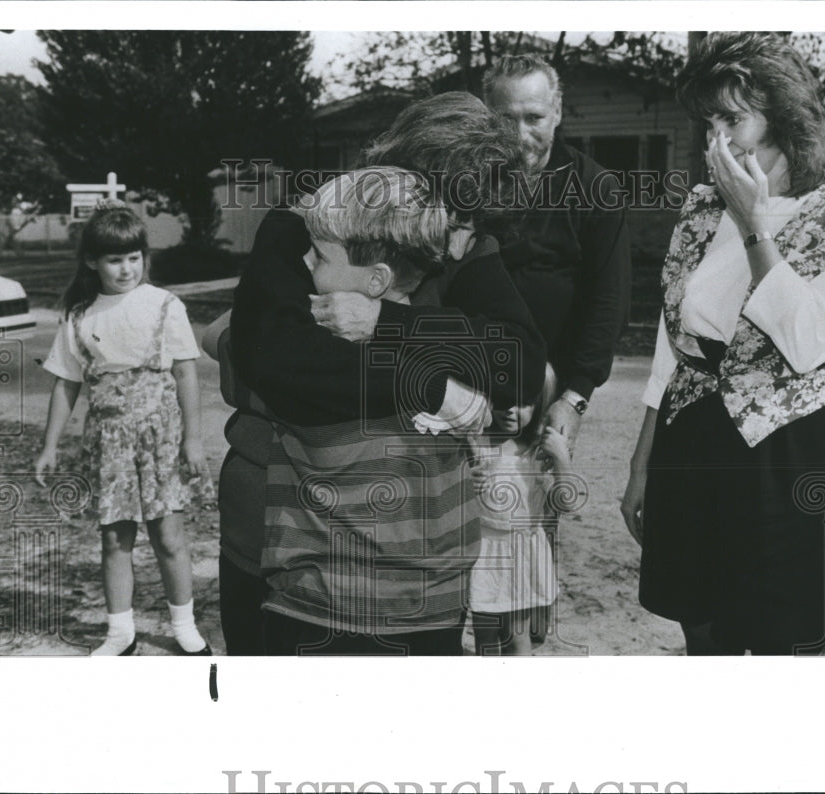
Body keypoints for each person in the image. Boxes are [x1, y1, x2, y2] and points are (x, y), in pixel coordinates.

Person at [209, 94, 546, 654]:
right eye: (459, 218)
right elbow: (279, 365)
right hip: (272, 533)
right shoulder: (313, 229)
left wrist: (387, 320)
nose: (462, 242)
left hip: (396, 566)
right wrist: (444, 388)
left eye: (474, 223)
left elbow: (521, 363)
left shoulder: (459, 243)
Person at [620, 33, 825, 655]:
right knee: (704, 632)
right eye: (709, 121)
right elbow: (674, 344)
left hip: (792, 454)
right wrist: (643, 462)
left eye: (734, 118)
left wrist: (755, 225)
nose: (716, 139)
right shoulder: (699, 207)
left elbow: (809, 339)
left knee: (782, 640)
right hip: (693, 441)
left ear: (787, 116)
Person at [34, 203, 214, 656]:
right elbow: (66, 384)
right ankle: (120, 632)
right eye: (115, 259)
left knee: (168, 537)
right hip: (109, 443)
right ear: (93, 261)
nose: (126, 268)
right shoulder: (79, 316)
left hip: (161, 440)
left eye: (134, 257)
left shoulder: (163, 305)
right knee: (115, 537)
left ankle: (184, 626)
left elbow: (186, 374)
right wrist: (50, 446)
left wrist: (193, 440)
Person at [482, 53, 631, 451]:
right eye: (504, 119)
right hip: (464, 387)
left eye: (534, 118)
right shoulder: (466, 183)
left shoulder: (595, 188)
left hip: (546, 391)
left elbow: (608, 301)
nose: (518, 135)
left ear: (558, 111)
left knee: (520, 510)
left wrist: (574, 399)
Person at [469, 364, 579, 656]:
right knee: (485, 637)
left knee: (519, 637)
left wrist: (562, 460)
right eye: (502, 400)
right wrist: (465, 481)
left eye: (524, 403)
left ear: (539, 404)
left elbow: (568, 502)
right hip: (484, 553)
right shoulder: (477, 445)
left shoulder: (537, 452)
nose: (511, 410)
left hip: (523, 553)